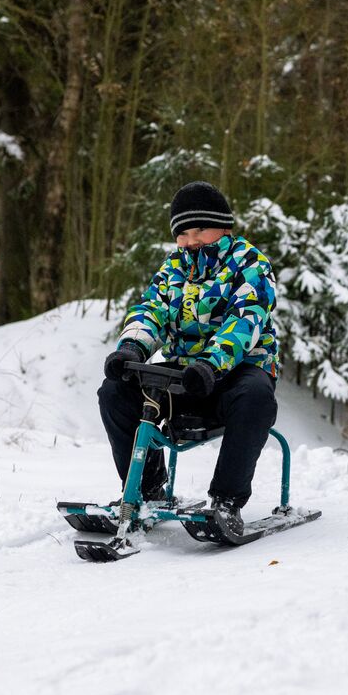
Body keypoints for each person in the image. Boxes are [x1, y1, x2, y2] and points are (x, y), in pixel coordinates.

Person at [99, 181, 279, 530]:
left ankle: (227, 501)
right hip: (183, 375)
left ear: (224, 227)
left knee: (255, 396)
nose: (191, 239)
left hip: (235, 372)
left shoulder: (251, 263)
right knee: (115, 391)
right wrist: (131, 347)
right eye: (183, 232)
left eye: (201, 229)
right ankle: (147, 491)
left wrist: (211, 363)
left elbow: (245, 320)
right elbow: (152, 310)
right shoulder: (174, 268)